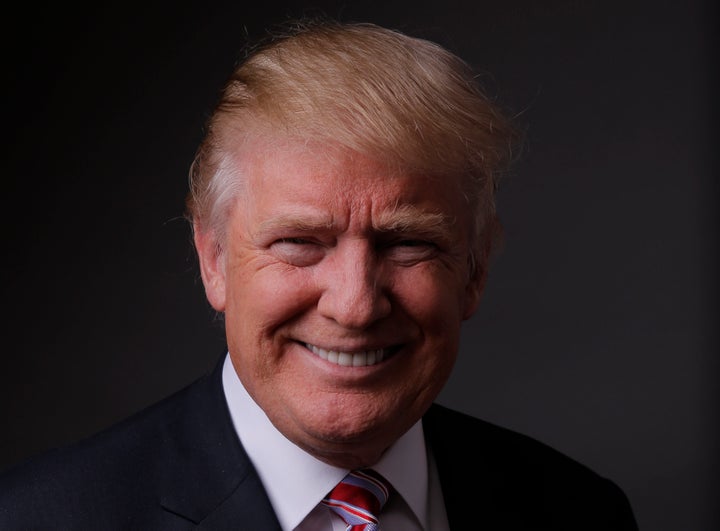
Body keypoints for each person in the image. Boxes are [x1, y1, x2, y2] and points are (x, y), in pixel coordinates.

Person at [0, 19, 639, 530]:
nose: (355, 306)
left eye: (409, 243)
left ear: (474, 269)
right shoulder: (40, 518)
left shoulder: (580, 510)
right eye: (300, 242)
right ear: (214, 260)